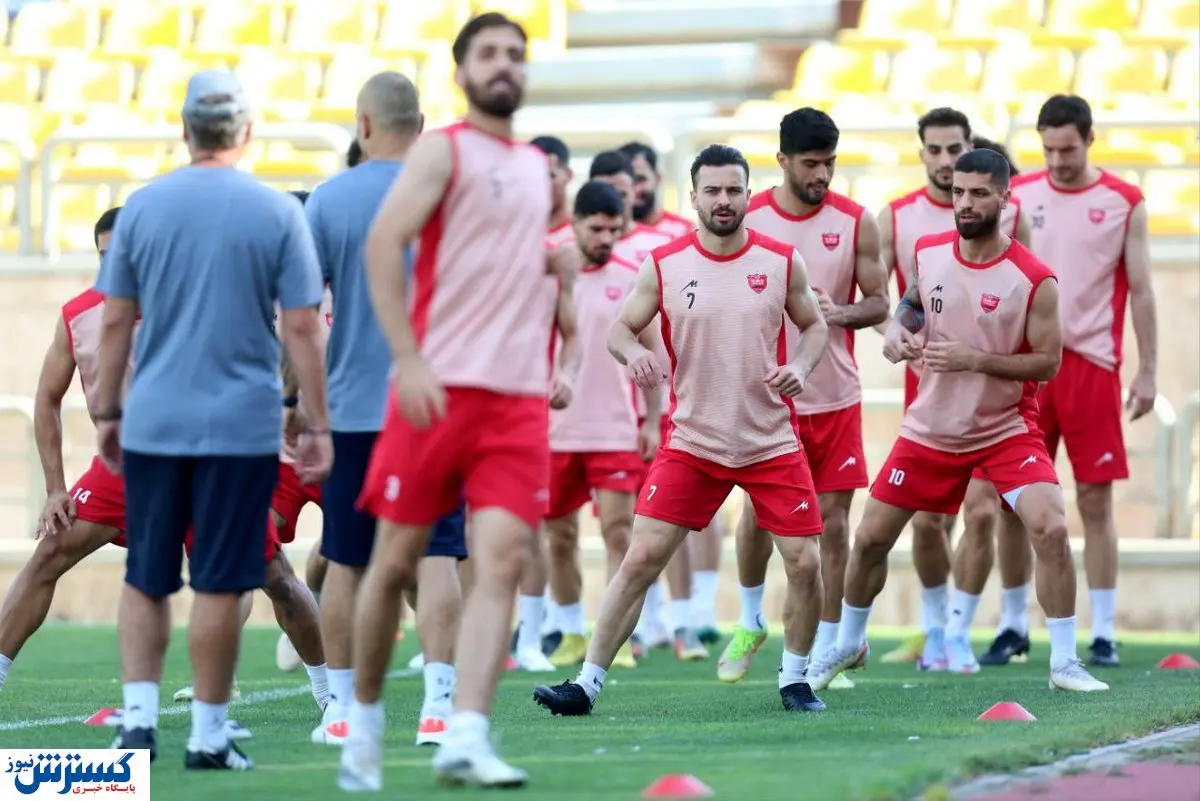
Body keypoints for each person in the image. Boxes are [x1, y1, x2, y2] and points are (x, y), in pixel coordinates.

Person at [338, 13, 574, 790]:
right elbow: (383, 243)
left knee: (501, 560)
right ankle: (363, 722)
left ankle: (465, 732)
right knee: (392, 562)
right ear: (462, 72)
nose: (505, 64)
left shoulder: (537, 168)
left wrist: (554, 269)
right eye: (489, 53)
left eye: (516, 54)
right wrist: (407, 358)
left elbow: (506, 257)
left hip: (517, 400)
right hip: (438, 391)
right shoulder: (442, 148)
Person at [533, 143, 832, 717]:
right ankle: (586, 685)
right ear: (693, 197)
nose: (724, 200)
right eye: (712, 190)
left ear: (749, 194)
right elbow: (621, 330)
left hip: (770, 440)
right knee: (641, 557)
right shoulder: (665, 263)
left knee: (805, 562)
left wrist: (800, 366)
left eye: (734, 190)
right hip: (694, 441)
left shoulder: (780, 261)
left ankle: (795, 680)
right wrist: (633, 355)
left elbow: (814, 327)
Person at [93, 70, 332, 769]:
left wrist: (107, 409)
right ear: (247, 132)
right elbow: (303, 328)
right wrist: (314, 419)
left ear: (185, 129)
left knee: (146, 574)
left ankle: (138, 725)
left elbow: (115, 319)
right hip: (239, 426)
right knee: (222, 579)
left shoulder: (142, 208)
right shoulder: (276, 212)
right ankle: (206, 733)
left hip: (154, 420)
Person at [806, 148, 1108, 695]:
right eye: (959, 192)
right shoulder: (928, 252)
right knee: (869, 538)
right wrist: (898, 329)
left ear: (1005, 199)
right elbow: (913, 304)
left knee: (1053, 528)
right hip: (931, 428)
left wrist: (977, 359)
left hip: (1005, 430)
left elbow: (1048, 362)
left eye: (978, 194)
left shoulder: (1034, 279)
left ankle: (1064, 662)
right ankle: (849, 642)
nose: (965, 203)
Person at [299, 72, 473, 749]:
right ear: (421, 127)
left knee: (346, 558)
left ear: (363, 125)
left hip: (351, 411)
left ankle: (342, 711)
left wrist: (296, 404)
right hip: (434, 406)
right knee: (438, 555)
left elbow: (300, 318)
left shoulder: (327, 201)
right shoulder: (449, 198)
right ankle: (439, 709)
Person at [719, 108, 888, 690]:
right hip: (763, 398)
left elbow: (879, 302)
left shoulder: (857, 221)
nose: (822, 175)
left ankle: (827, 648)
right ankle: (750, 621)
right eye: (811, 164)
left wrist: (836, 312)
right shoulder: (751, 217)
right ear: (783, 161)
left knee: (834, 526)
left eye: (830, 164)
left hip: (834, 396)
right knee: (756, 517)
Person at [1000, 94, 1157, 668]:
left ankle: (1105, 631)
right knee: (1013, 500)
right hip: (1030, 369)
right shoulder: (1019, 195)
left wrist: (1148, 369)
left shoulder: (1124, 201)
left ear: (1090, 140)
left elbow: (1142, 290)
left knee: (1094, 498)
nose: (1057, 160)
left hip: (1092, 364)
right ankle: (1012, 625)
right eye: (1047, 149)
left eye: (1067, 149)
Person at [875, 107, 1032, 673]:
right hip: (928, 390)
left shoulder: (1009, 216)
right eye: (935, 150)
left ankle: (963, 632)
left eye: (955, 149)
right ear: (922, 153)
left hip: (992, 395)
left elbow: (1031, 294)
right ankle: (935, 628)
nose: (945, 160)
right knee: (926, 522)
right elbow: (885, 301)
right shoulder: (897, 217)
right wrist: (894, 331)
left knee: (984, 513)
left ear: (970, 147)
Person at [587, 148, 709, 659]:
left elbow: (659, 332)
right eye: (617, 186)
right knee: (628, 528)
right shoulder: (586, 252)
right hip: (605, 415)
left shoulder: (669, 245)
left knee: (670, 518)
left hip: (663, 406)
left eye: (632, 183)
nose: (628, 193)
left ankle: (686, 621)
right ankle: (641, 626)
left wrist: (658, 410)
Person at [537, 180, 663, 672]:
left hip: (615, 430)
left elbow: (651, 355)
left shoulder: (633, 279)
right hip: (555, 430)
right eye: (597, 229)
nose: (606, 238)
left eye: (614, 229)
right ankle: (570, 630)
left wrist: (651, 420)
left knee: (618, 533)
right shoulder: (549, 274)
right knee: (559, 535)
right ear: (575, 225)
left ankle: (616, 639)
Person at [618, 140, 695, 238]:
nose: (634, 190)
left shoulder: (684, 231)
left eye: (640, 179)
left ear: (658, 178)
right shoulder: (608, 233)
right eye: (626, 182)